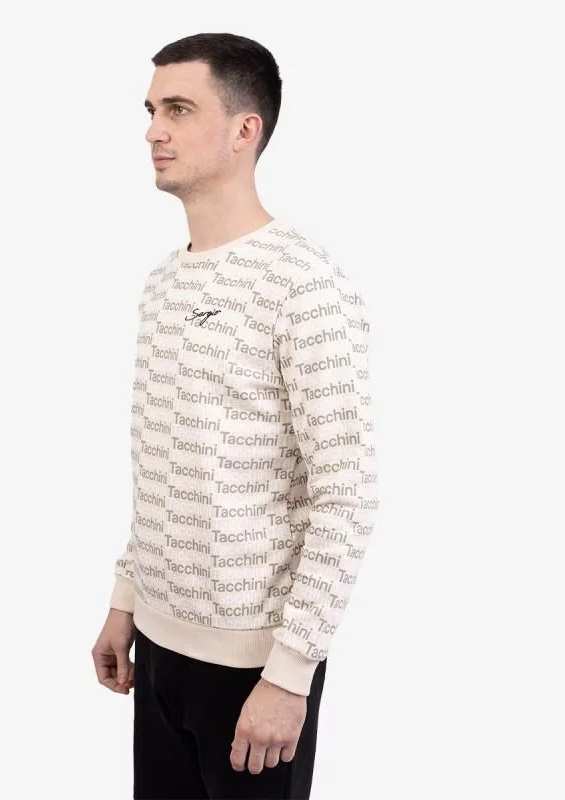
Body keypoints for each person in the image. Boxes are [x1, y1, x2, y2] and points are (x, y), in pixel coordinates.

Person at [91, 32, 379, 800]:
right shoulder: (163, 284)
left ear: (245, 129)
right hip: (156, 647)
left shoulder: (304, 283)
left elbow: (346, 495)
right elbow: (164, 467)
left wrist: (290, 675)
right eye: (151, 110)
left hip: (254, 669)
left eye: (179, 109)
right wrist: (126, 602)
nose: (153, 130)